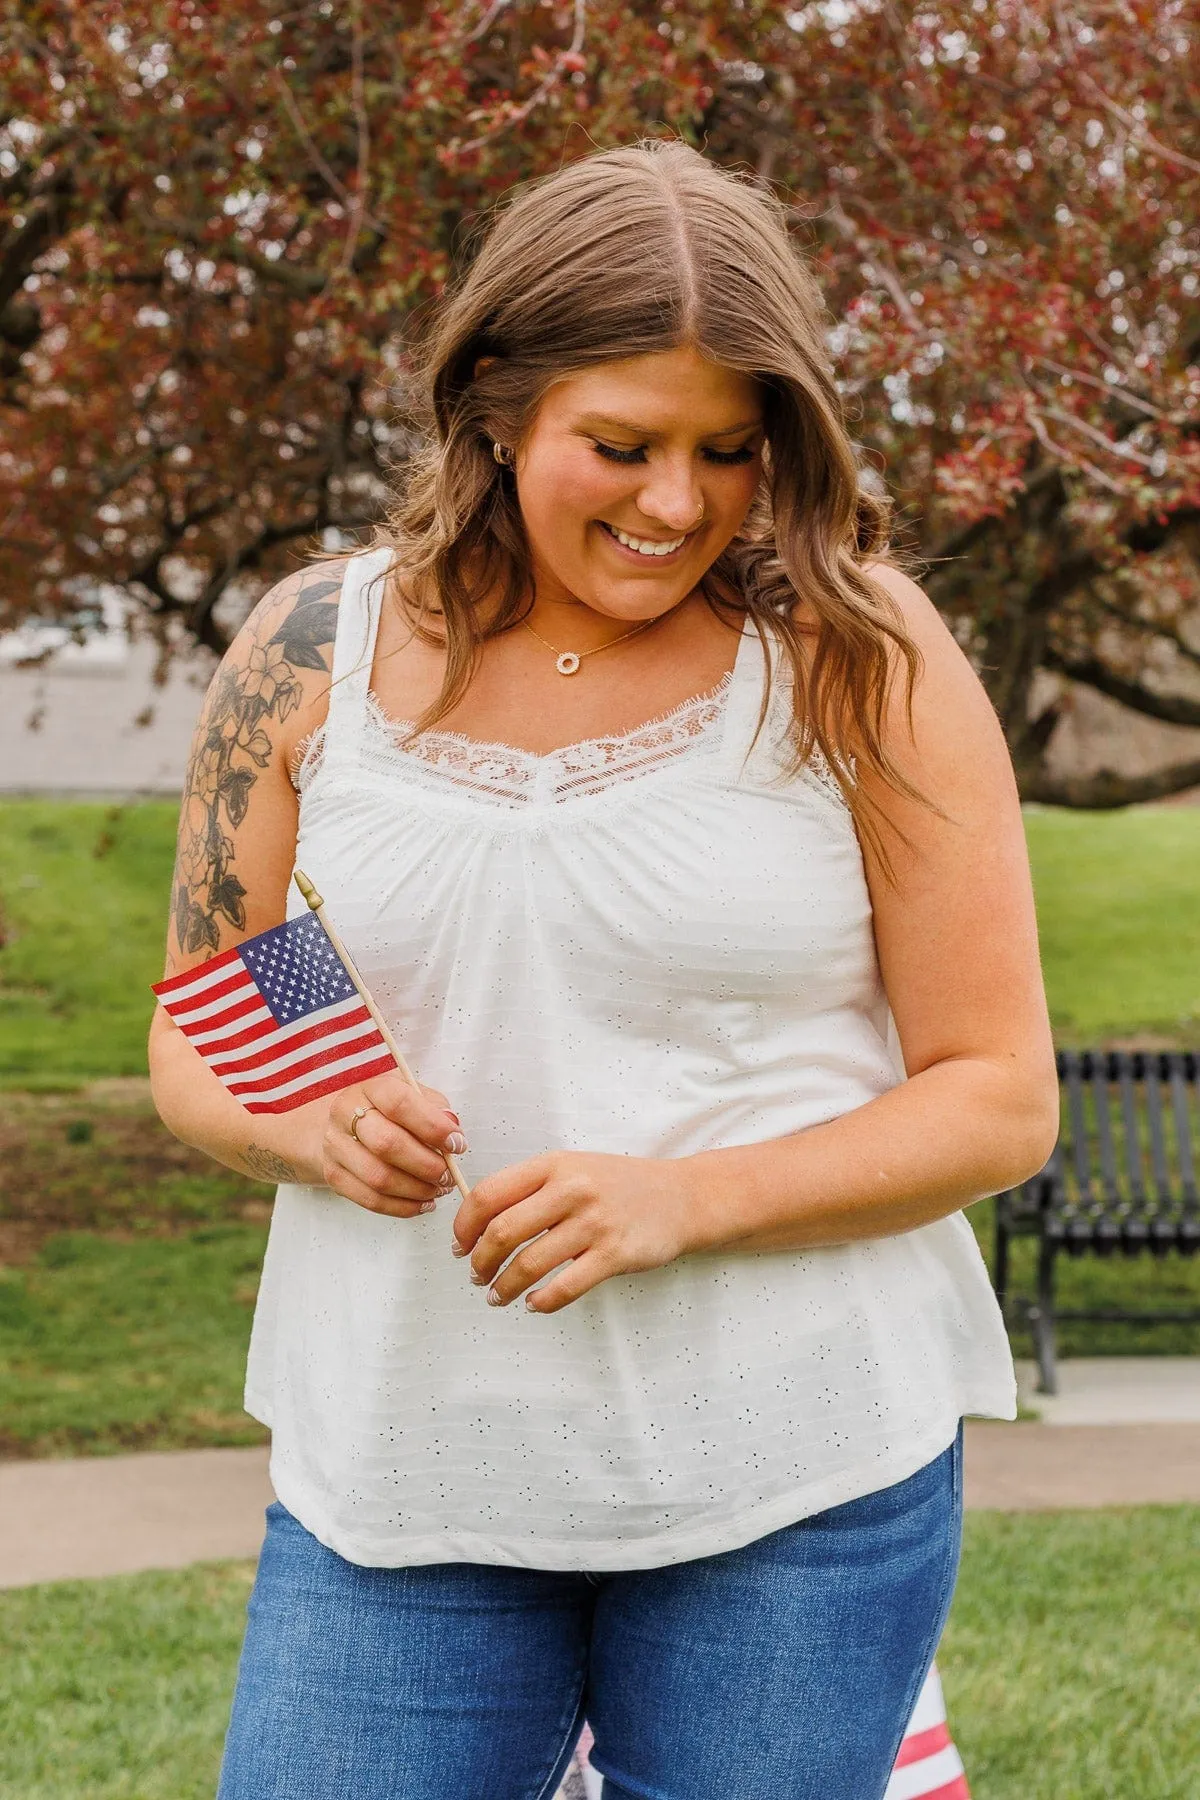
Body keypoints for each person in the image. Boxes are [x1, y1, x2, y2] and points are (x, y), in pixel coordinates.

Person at [149, 137, 1057, 1800]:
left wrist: (680, 1200)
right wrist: (312, 1124)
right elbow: (219, 1001)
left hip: (790, 1483)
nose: (675, 504)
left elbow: (996, 1100)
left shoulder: (858, 657)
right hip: (402, 1477)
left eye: (730, 448)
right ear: (494, 401)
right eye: (621, 445)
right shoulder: (311, 651)